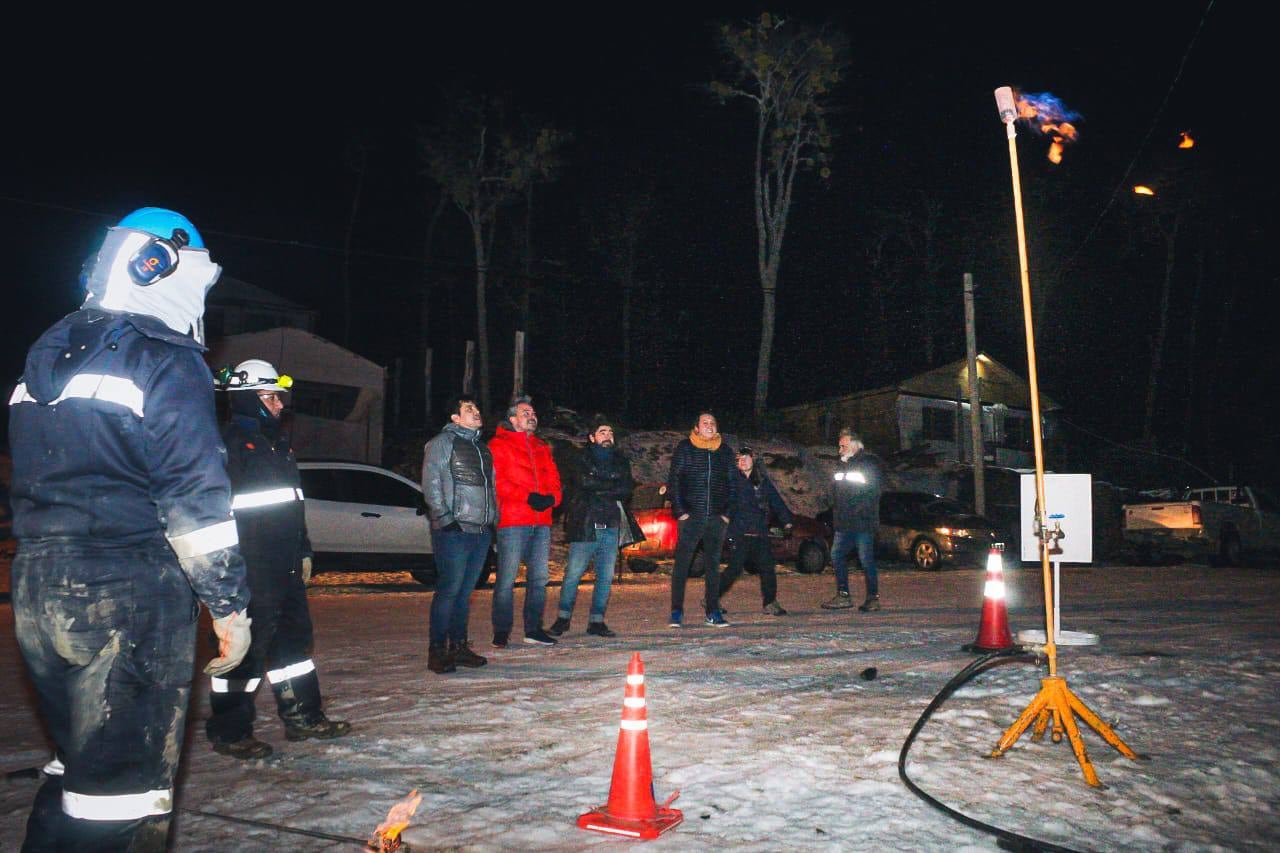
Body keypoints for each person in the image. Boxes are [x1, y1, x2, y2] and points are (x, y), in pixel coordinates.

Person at [8, 207, 251, 851]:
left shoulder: (49, 350)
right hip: (128, 595)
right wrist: (228, 605)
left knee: (78, 777)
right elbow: (194, 492)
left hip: (38, 589)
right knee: (121, 799)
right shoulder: (164, 360)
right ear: (162, 266)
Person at [205, 359, 350, 759]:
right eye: (270, 397)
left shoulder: (277, 444)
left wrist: (303, 549)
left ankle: (303, 717)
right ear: (249, 399)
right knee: (244, 654)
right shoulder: (227, 445)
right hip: (250, 568)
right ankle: (230, 731)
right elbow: (214, 511)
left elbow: (292, 505)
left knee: (294, 648)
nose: (279, 405)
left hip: (284, 565)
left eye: (278, 397)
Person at [421, 394, 497, 674]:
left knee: (464, 593)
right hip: (454, 530)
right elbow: (431, 482)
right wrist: (444, 518)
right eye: (469, 409)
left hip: (480, 530)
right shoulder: (442, 443)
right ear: (455, 418)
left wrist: (493, 522)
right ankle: (438, 650)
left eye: (476, 408)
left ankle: (459, 647)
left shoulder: (482, 449)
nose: (476, 412)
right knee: (449, 590)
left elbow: (492, 489)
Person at [549, 417, 644, 639]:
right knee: (573, 574)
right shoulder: (580, 458)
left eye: (610, 432)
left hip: (611, 524)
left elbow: (626, 489)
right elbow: (584, 483)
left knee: (605, 576)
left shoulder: (621, 460)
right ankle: (562, 619)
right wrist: (611, 485)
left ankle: (597, 621)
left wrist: (602, 486)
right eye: (602, 432)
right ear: (592, 437)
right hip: (585, 524)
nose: (607, 435)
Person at [488, 396, 562, 647]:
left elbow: (555, 481)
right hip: (513, 521)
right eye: (525, 413)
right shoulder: (498, 445)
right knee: (507, 579)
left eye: (533, 413)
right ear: (512, 419)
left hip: (541, 522)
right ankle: (501, 630)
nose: (532, 416)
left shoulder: (542, 446)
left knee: (539, 578)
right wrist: (527, 497)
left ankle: (533, 629)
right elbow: (498, 482)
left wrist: (551, 498)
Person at [667, 411, 736, 627]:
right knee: (682, 565)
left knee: (713, 566)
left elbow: (734, 484)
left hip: (716, 518)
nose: (709, 425)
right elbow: (675, 480)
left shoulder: (724, 451)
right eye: (705, 422)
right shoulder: (685, 448)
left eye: (713, 422)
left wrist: (727, 514)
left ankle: (713, 611)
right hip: (691, 517)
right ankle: (676, 611)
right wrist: (681, 512)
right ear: (696, 428)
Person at [719, 446, 794, 616]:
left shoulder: (762, 481)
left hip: (759, 532)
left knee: (768, 568)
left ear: (753, 459)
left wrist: (787, 523)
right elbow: (725, 505)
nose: (743, 461)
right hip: (740, 533)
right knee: (734, 569)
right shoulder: (732, 482)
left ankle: (770, 602)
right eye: (739, 459)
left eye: (746, 457)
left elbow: (777, 503)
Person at [822, 428, 885, 612]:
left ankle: (873, 598)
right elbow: (834, 490)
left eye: (843, 446)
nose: (839, 450)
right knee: (836, 555)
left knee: (866, 560)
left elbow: (872, 494)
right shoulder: (841, 466)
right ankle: (843, 596)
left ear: (855, 446)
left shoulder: (868, 465)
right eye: (839, 446)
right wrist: (830, 501)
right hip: (843, 523)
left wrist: (858, 511)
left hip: (863, 523)